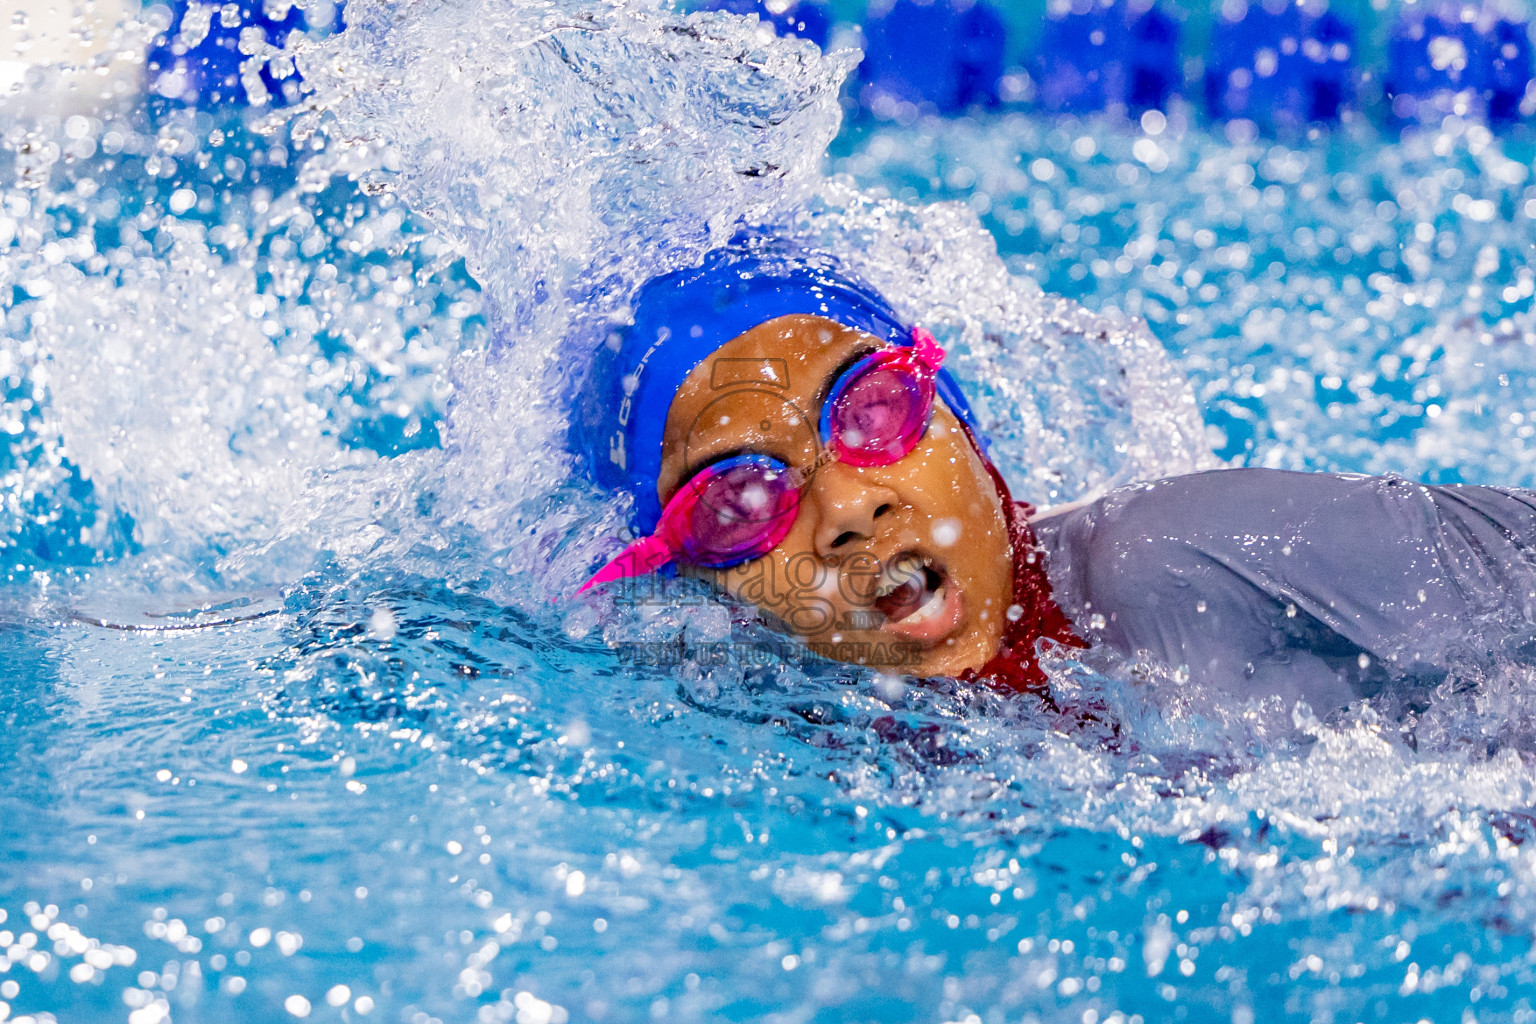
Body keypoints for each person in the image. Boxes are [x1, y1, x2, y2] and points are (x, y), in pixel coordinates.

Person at [576, 236, 1536, 712]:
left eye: (870, 409)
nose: (848, 510)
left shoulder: (1168, 561)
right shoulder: (805, 728)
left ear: (959, 420)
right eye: (740, 500)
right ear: (691, 573)